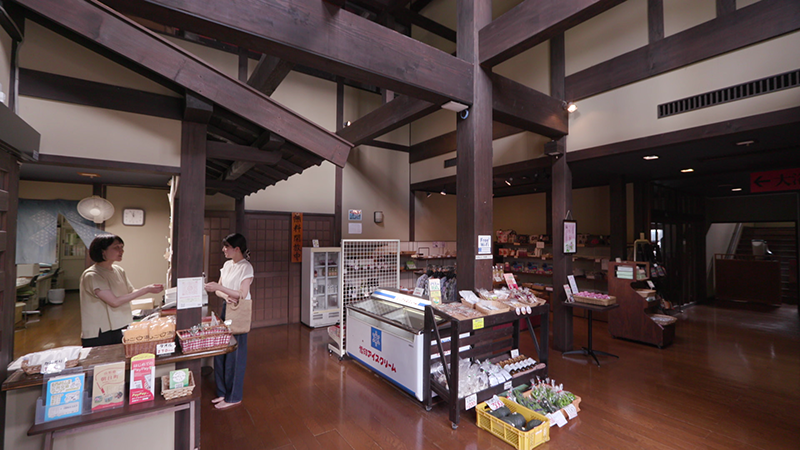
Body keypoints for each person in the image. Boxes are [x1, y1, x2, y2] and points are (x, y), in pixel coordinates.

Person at [80, 234, 164, 347]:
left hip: (122, 325)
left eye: (122, 247)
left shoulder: (118, 270)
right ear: (102, 251)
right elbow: (114, 301)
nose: (121, 251)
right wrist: (146, 289)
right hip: (101, 333)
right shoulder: (92, 275)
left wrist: (150, 289)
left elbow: (130, 293)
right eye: (116, 247)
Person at [204, 233, 254, 410]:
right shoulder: (226, 265)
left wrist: (219, 288)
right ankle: (222, 392)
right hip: (227, 308)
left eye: (227, 247)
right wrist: (223, 293)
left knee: (235, 354)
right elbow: (219, 291)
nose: (223, 249)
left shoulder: (246, 267)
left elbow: (242, 294)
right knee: (221, 350)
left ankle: (234, 397)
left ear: (237, 249)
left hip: (239, 311)